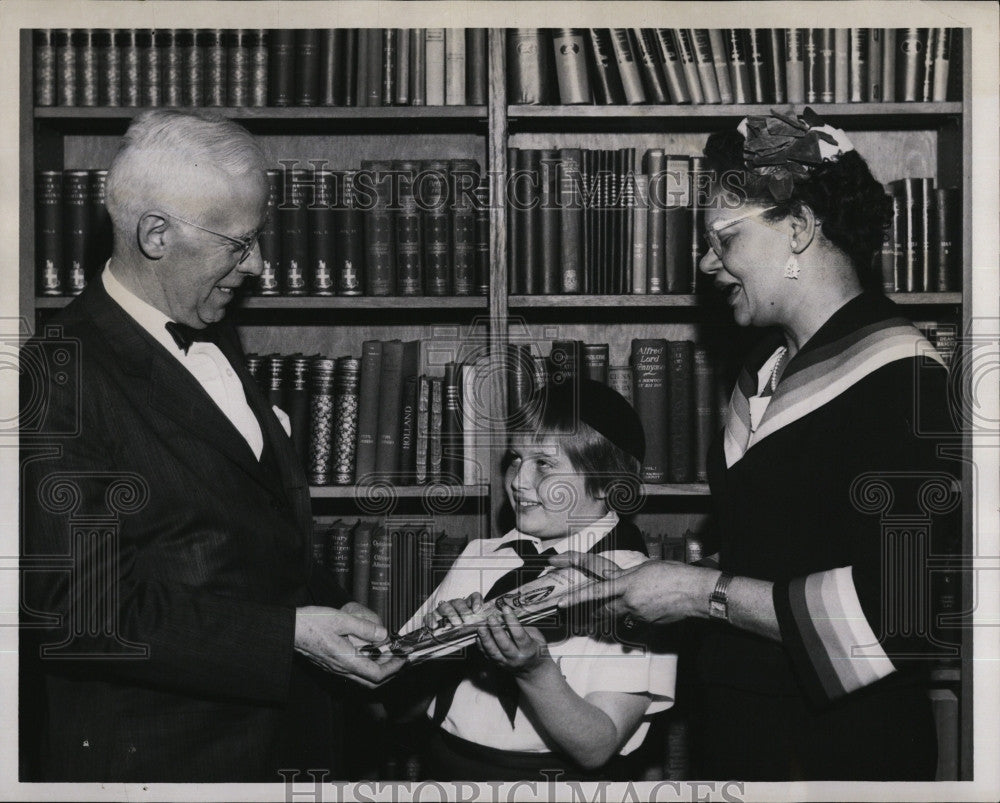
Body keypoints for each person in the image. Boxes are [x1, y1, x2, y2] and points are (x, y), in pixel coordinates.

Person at [554, 109, 961, 781]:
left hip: (844, 754)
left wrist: (697, 591)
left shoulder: (907, 384)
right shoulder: (765, 372)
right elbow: (790, 547)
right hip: (746, 738)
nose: (708, 263)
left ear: (799, 228)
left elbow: (900, 617)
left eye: (724, 238)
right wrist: (639, 583)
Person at [19, 109, 403, 782]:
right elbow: (78, 609)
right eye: (239, 243)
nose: (258, 264)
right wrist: (289, 635)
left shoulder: (212, 326)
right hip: (166, 766)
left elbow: (244, 527)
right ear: (157, 234)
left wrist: (331, 605)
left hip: (281, 751)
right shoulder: (58, 373)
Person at [394, 379, 676, 781]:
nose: (518, 481)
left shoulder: (637, 584)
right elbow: (403, 709)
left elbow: (597, 747)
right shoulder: (479, 555)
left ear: (607, 479)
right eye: (515, 458)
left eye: (544, 464)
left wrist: (535, 671)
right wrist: (436, 648)